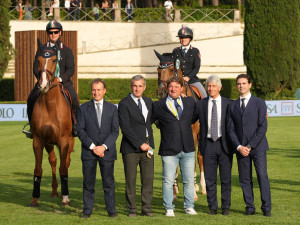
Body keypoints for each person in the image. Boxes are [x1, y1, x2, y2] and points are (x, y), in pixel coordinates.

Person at [23, 20, 79, 138]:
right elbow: (35, 67)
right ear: (48, 34)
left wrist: (60, 79)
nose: (53, 34)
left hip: (63, 83)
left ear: (60, 33)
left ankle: (75, 125)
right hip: (45, 82)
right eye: (50, 32)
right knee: (30, 99)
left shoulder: (67, 50)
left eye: (55, 32)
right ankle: (32, 126)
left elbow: (71, 69)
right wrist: (42, 79)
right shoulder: (42, 49)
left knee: (74, 98)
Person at [152, 76, 198, 217]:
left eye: (176, 87)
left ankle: (189, 206)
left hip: (188, 148)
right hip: (169, 149)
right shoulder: (158, 105)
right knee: (168, 180)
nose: (173, 89)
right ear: (167, 88)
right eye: (171, 86)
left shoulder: (189, 102)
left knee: (189, 180)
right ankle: (169, 208)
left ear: (181, 88)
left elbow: (194, 117)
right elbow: (152, 121)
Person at [227, 74, 272, 217]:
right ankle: (250, 208)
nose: (241, 86)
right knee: (244, 179)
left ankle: (266, 208)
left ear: (250, 85)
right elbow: (230, 129)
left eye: (244, 83)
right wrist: (239, 147)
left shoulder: (259, 103)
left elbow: (262, 127)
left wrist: (250, 145)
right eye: (239, 84)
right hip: (241, 149)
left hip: (257, 147)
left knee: (262, 176)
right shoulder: (232, 105)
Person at [77, 78, 119, 219]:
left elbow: (115, 131)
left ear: (104, 91)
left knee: (109, 183)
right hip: (89, 152)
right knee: (88, 183)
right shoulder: (83, 108)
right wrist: (94, 147)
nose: (96, 92)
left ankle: (111, 210)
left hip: (107, 152)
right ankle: (87, 211)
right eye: (94, 90)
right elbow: (80, 130)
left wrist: (103, 147)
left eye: (99, 90)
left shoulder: (113, 109)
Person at [118, 75, 155, 217]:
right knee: (130, 180)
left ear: (144, 87)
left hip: (148, 148)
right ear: (131, 87)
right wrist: (140, 144)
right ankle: (132, 210)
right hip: (131, 148)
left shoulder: (148, 102)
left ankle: (146, 209)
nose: (137, 88)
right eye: (135, 86)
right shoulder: (124, 103)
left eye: (140, 86)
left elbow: (154, 119)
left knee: (148, 179)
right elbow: (125, 128)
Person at [196, 75, 233, 215]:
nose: (210, 88)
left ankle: (226, 207)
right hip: (208, 144)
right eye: (208, 86)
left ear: (220, 87)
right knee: (210, 179)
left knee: (226, 178)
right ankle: (212, 207)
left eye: (213, 86)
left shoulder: (229, 103)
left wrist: (262, 115)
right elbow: (189, 117)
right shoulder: (201, 104)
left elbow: (241, 118)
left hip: (225, 145)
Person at [172, 26, 207, 99]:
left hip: (192, 80)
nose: (183, 40)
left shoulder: (195, 51)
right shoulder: (175, 51)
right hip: (178, 80)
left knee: (204, 96)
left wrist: (188, 77)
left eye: (185, 38)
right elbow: (173, 66)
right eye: (181, 38)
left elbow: (196, 68)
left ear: (190, 39)